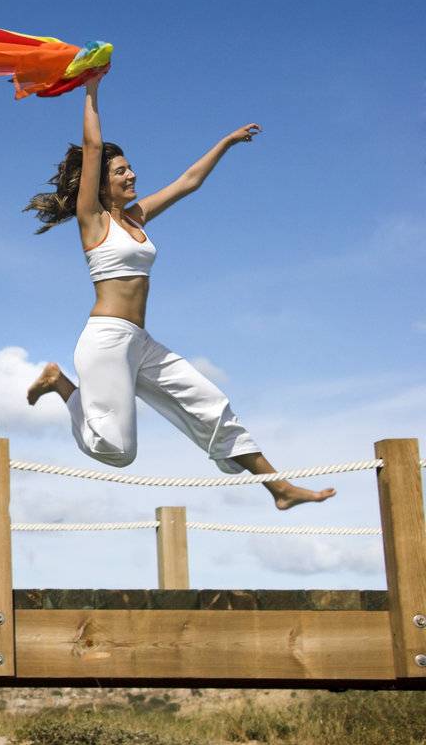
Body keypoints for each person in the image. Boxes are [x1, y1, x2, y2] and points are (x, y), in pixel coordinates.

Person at [21, 73, 334, 510]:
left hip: (140, 342)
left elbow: (188, 181)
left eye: (129, 167)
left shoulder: (136, 218)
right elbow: (93, 147)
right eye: (120, 170)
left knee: (210, 402)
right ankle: (60, 385)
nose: (131, 174)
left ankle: (278, 487)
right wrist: (91, 88)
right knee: (117, 451)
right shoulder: (92, 219)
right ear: (100, 182)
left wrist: (226, 141)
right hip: (107, 341)